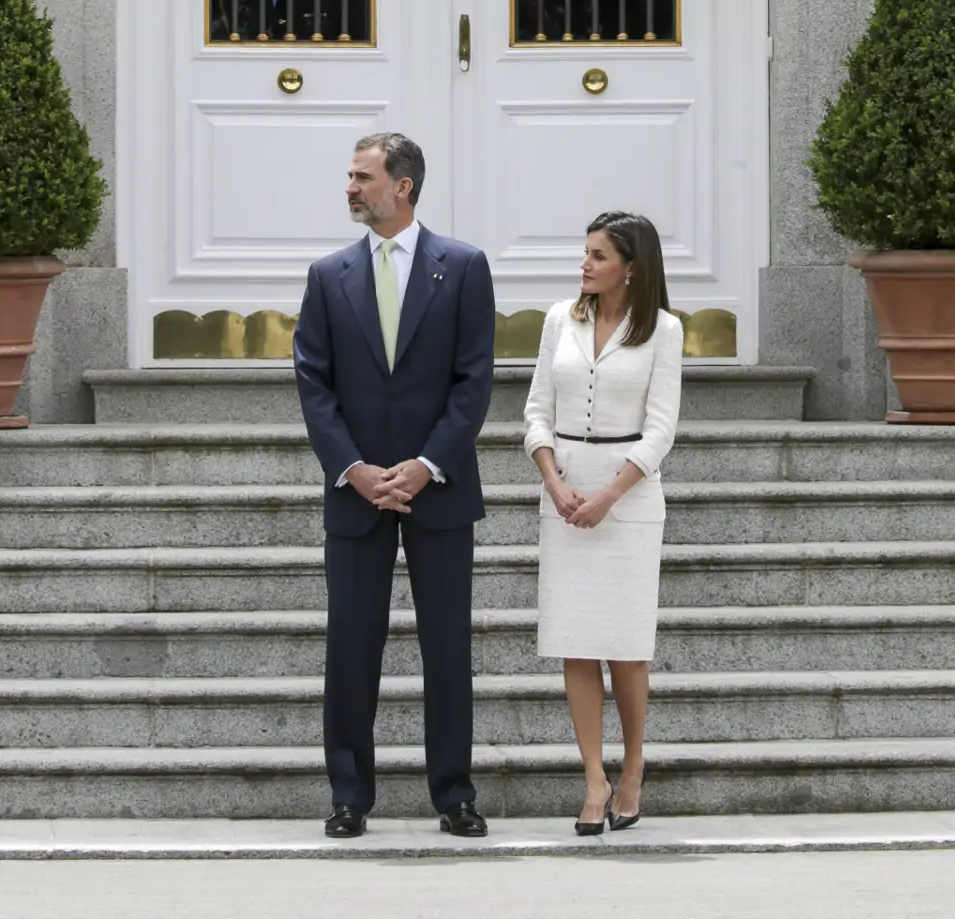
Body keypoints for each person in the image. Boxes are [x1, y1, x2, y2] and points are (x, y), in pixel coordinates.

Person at [293, 131, 496, 840]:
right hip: (355, 493)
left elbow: (475, 380)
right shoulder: (328, 275)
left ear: (402, 186)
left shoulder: (463, 267)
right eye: (350, 177)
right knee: (351, 647)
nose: (350, 188)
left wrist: (426, 463)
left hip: (439, 488)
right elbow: (313, 383)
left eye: (363, 177)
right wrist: (352, 469)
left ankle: (455, 796)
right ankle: (349, 796)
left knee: (448, 649)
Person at [523, 211, 684, 834]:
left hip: (630, 501)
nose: (585, 264)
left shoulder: (664, 330)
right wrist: (554, 481)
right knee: (576, 641)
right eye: (585, 252)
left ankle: (633, 767)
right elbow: (536, 412)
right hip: (565, 495)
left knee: (626, 647)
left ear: (631, 267)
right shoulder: (558, 319)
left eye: (598, 255)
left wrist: (610, 496)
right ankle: (594, 778)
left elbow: (661, 429)